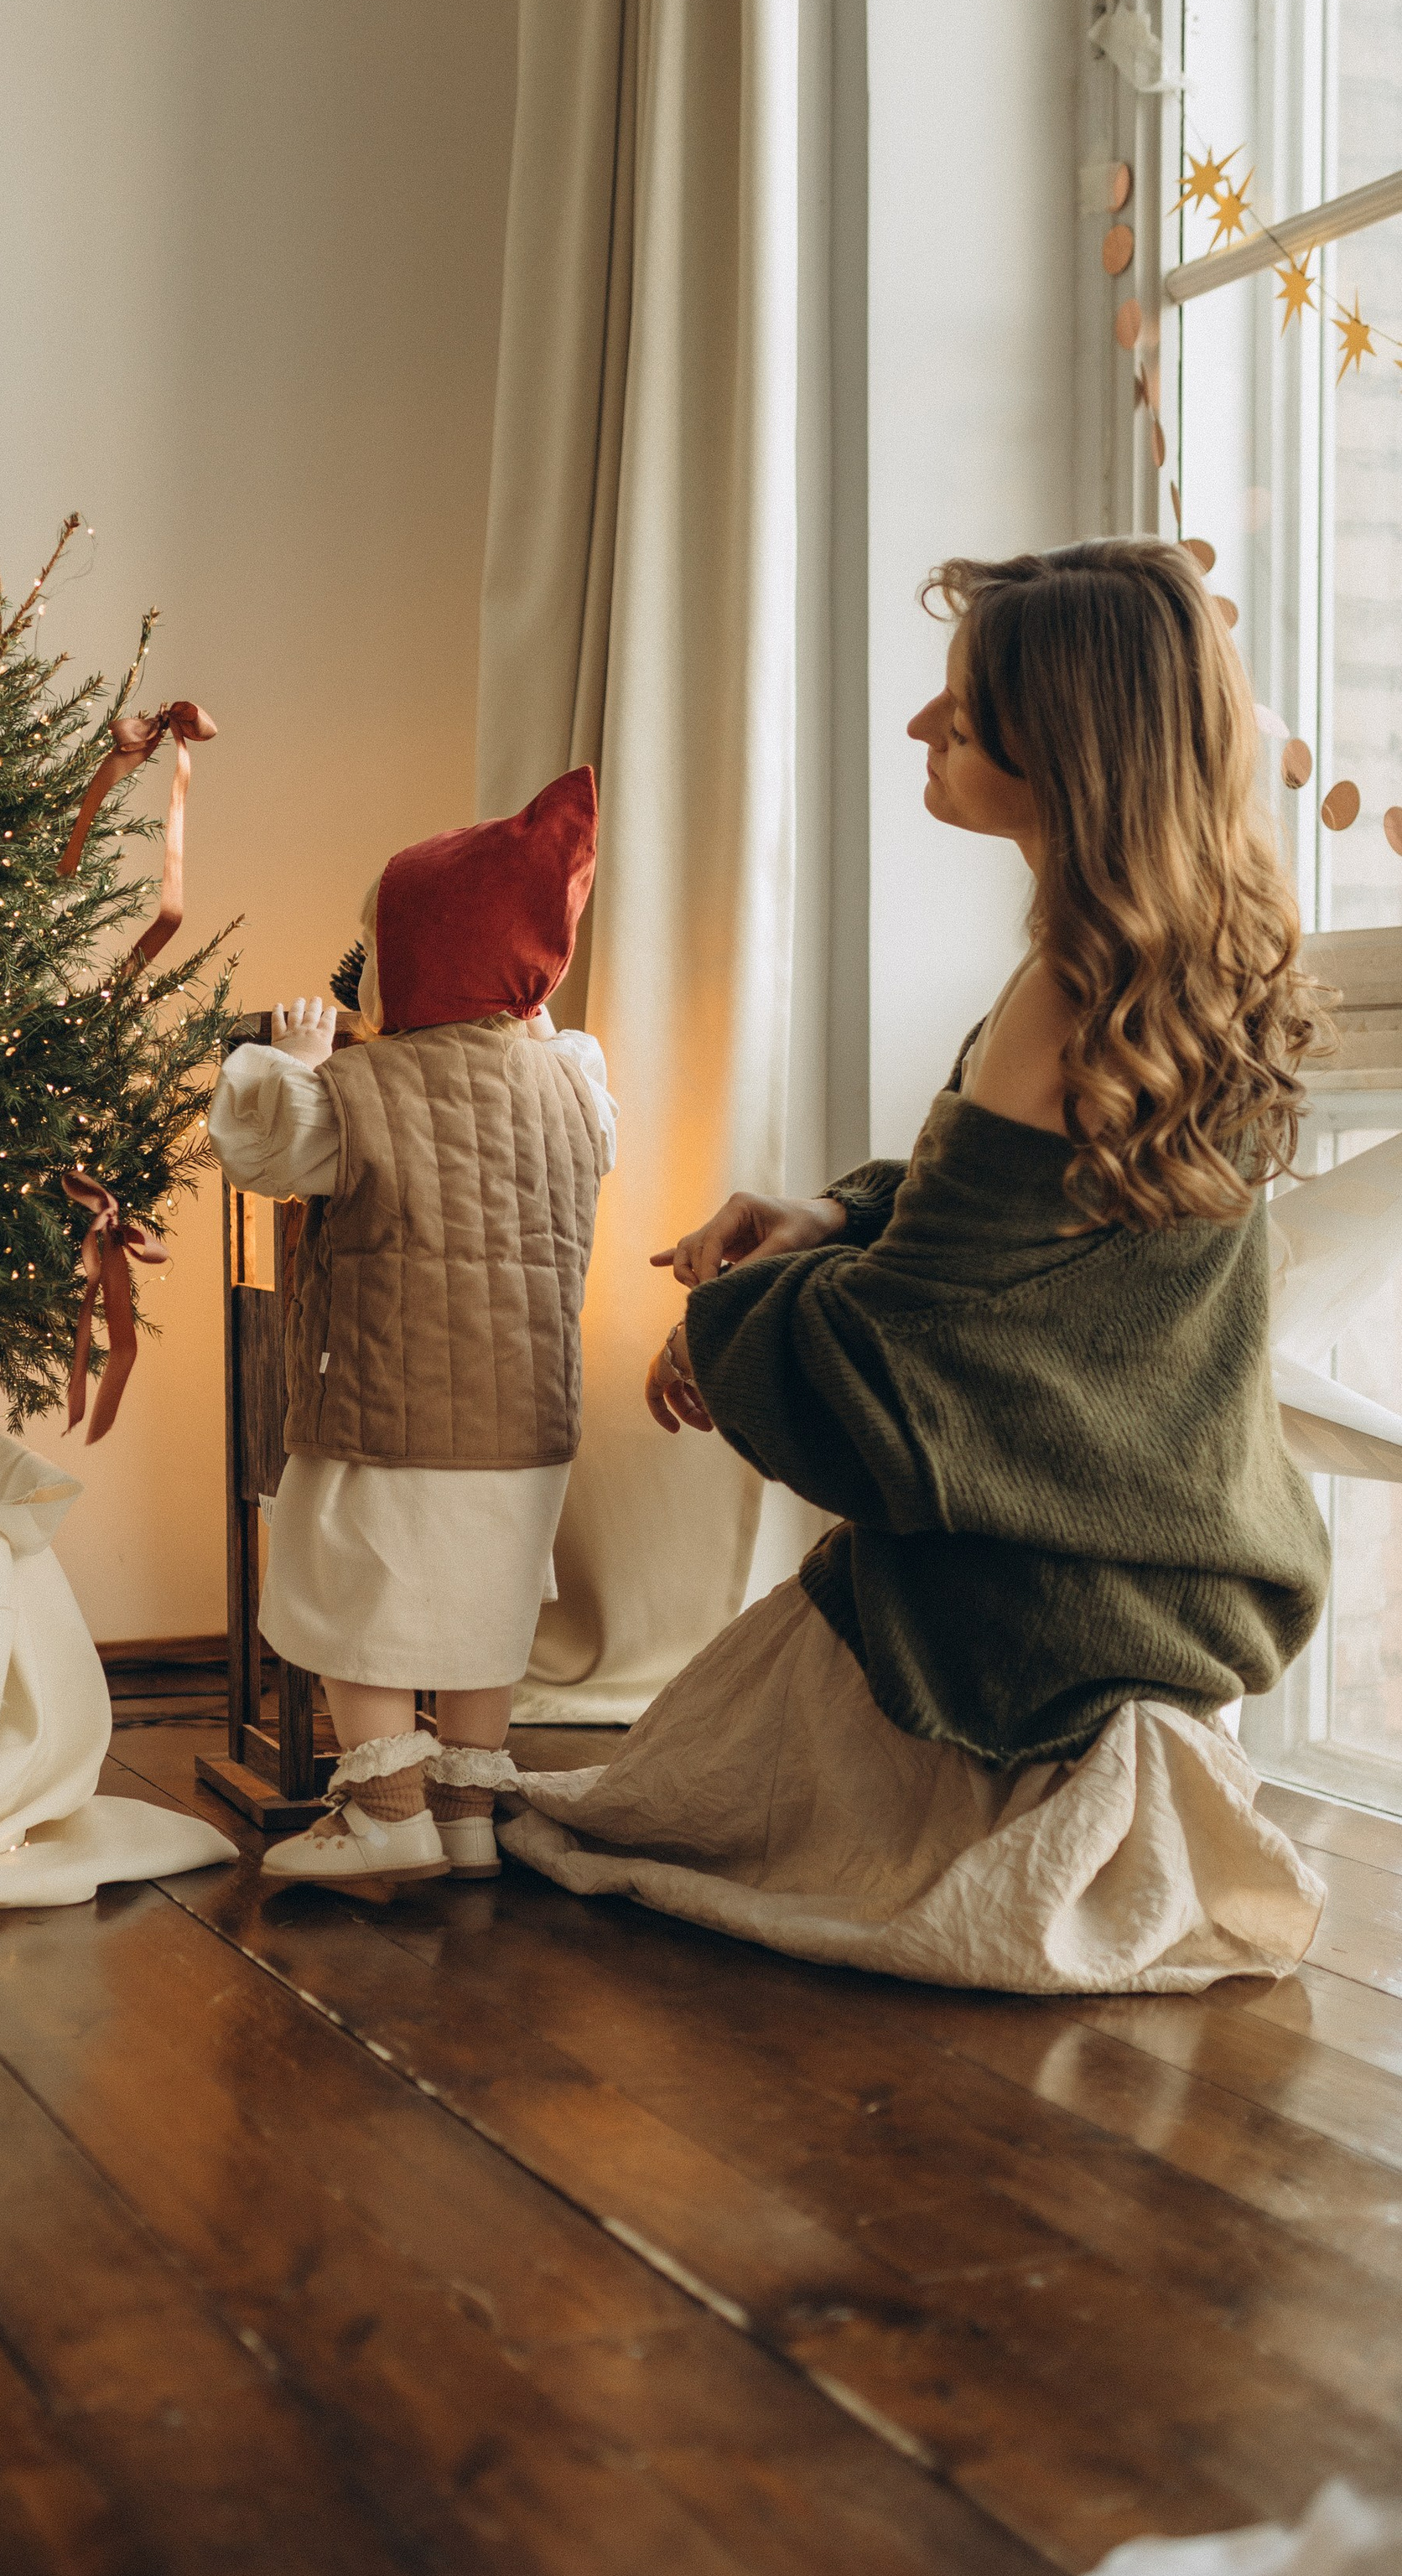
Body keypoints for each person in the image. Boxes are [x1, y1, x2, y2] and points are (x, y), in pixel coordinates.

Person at [505, 540, 1332, 1994]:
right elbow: (1041, 1244)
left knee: (641, 1815)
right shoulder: (1202, 960)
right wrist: (832, 1216)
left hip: (1035, 1597)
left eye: (957, 706)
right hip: (1182, 1549)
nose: (918, 729)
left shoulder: (1064, 989)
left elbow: (917, 1360)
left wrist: (723, 1326)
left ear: (1061, 742)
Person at [205, 768, 616, 1895]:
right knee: (488, 1597)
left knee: (353, 1588)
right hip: (527, 1413)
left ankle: (385, 1810)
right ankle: (469, 1811)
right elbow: (584, 1120)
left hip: (383, 1407)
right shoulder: (573, 1082)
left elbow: (266, 1155)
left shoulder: (362, 1091)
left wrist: (297, 1063)